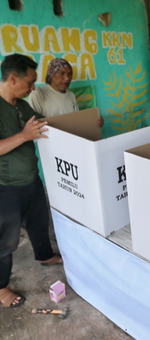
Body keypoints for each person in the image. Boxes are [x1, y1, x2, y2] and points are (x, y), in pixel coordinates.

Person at [0, 54, 63, 308]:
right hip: (6, 187)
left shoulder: (21, 105)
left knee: (38, 223)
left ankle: (44, 256)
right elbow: (26, 135)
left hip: (31, 180)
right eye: (30, 82)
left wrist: (80, 124)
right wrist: (24, 136)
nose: (33, 88)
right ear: (13, 78)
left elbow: (42, 124)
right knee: (5, 241)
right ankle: (1, 288)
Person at [28, 58, 104, 127]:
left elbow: (76, 122)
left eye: (70, 74)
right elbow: (33, 126)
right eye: (62, 73)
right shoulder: (38, 94)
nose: (67, 78)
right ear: (51, 74)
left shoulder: (71, 94)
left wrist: (94, 123)